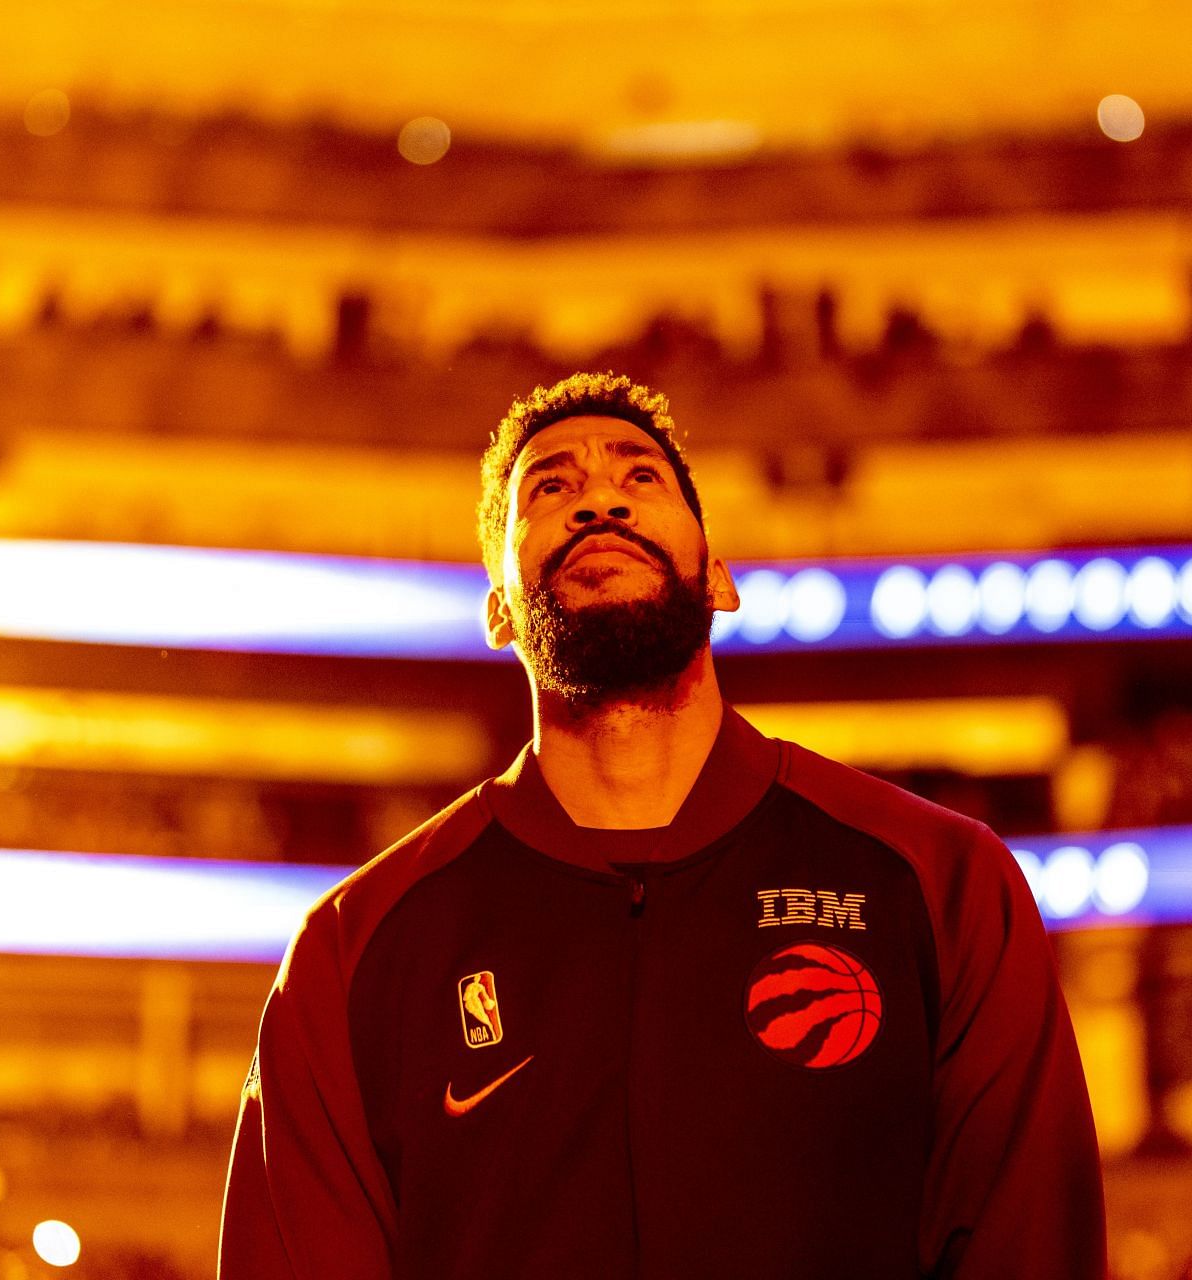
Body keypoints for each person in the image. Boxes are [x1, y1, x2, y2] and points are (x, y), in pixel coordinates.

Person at [219, 371, 1106, 1279]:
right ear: (499, 613)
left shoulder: (942, 882)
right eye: (551, 487)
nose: (599, 499)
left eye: (640, 478)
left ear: (718, 578)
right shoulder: (352, 950)